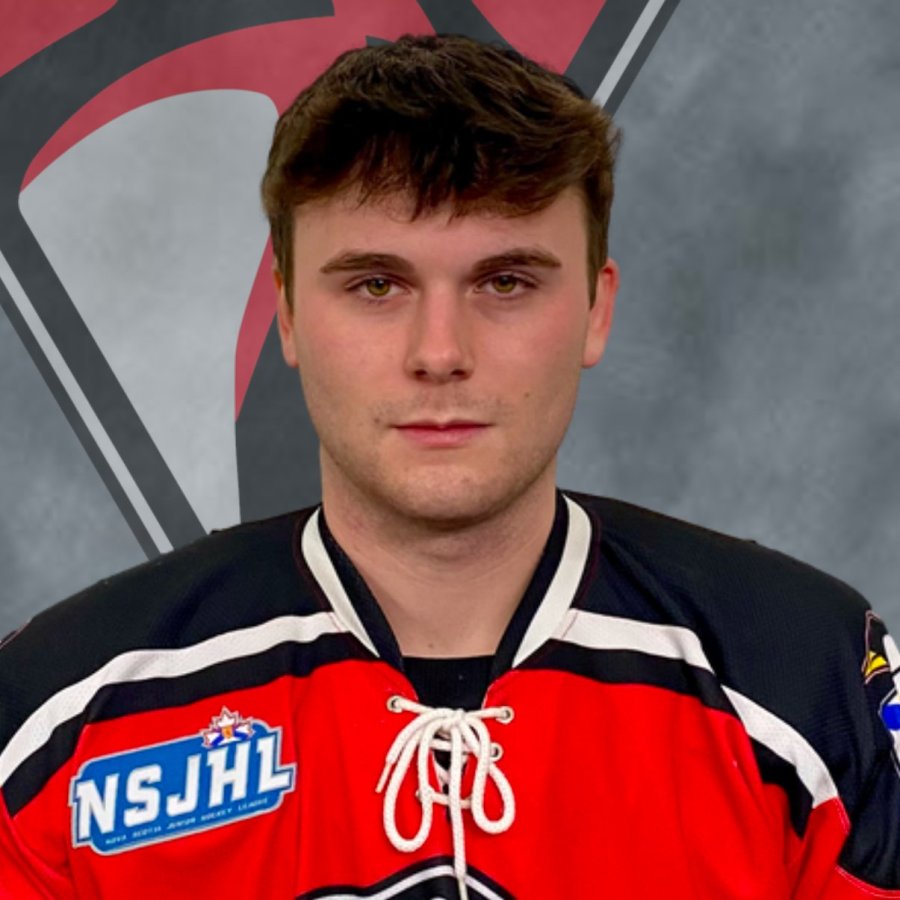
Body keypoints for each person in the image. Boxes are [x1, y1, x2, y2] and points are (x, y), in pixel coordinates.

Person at [1, 33, 898, 900]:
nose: (439, 353)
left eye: (505, 283)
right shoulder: (59, 717)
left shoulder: (804, 676)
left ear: (595, 310)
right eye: (376, 285)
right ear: (287, 313)